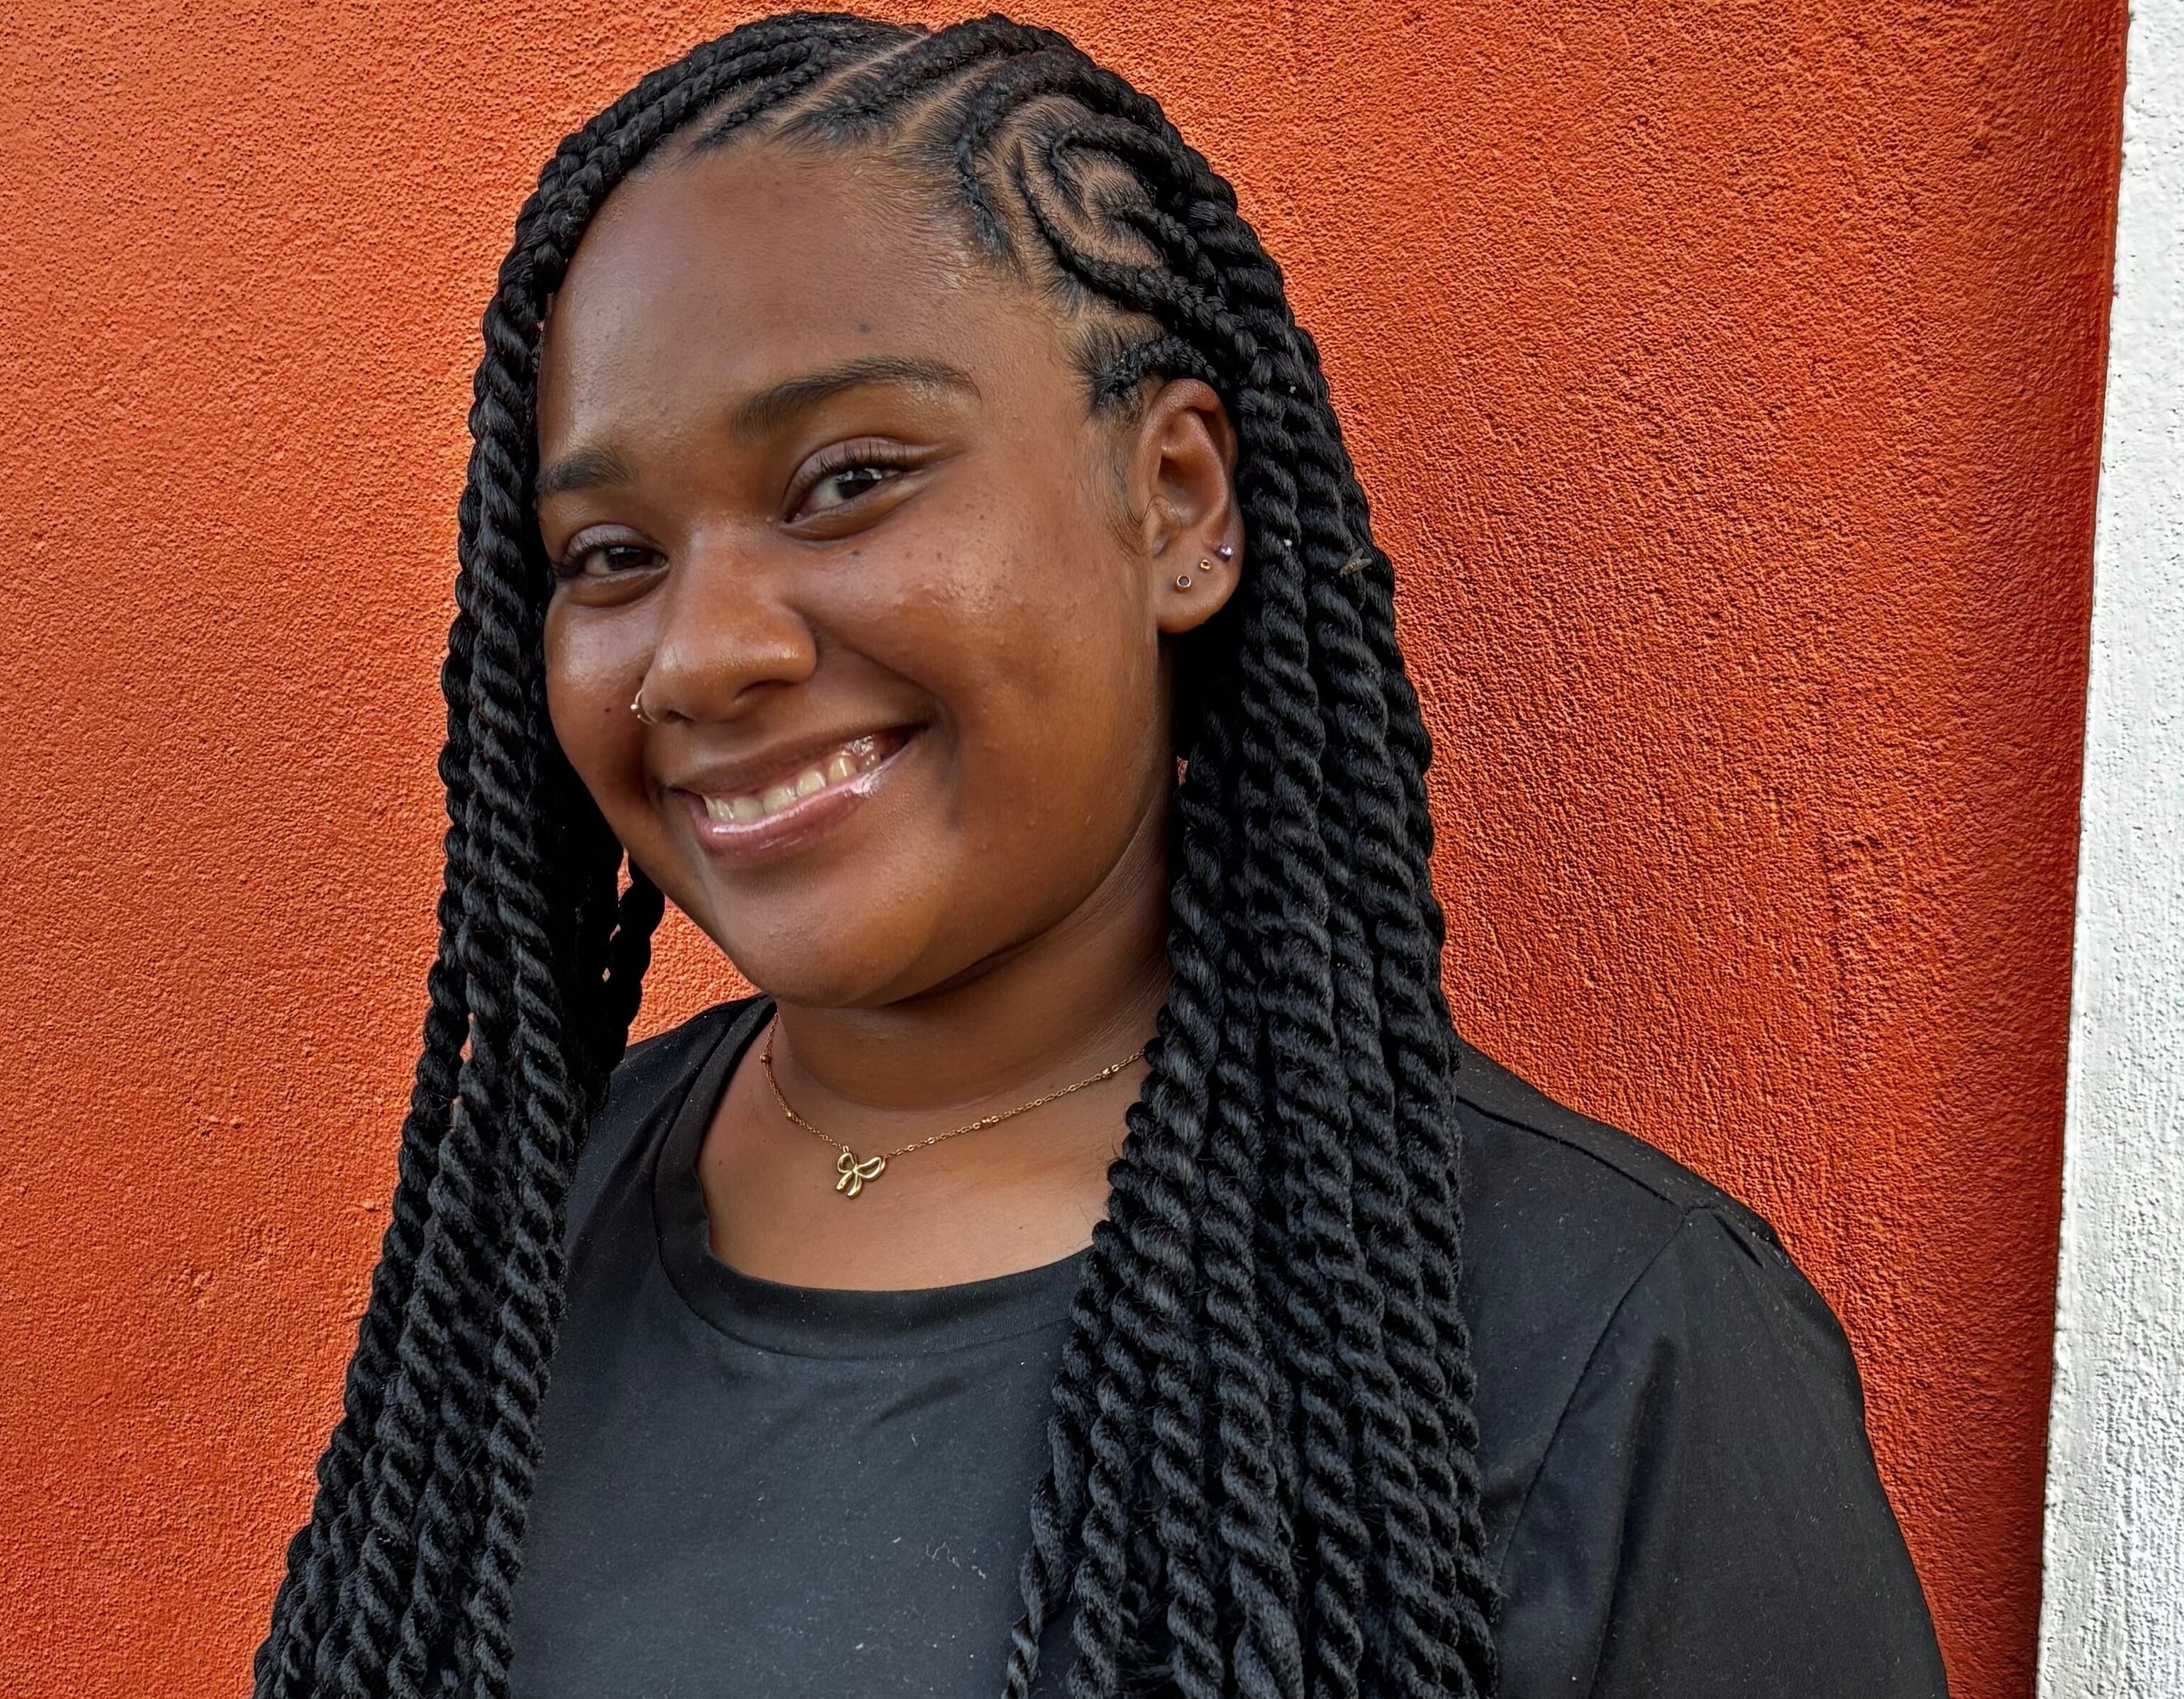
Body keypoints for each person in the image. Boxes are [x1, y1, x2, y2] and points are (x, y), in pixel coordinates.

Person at [251, 13, 1948, 1698]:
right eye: (609, 552)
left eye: (847, 480)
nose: (701, 653)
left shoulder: (1597, 1343)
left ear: (1182, 501)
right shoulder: (517, 1249)